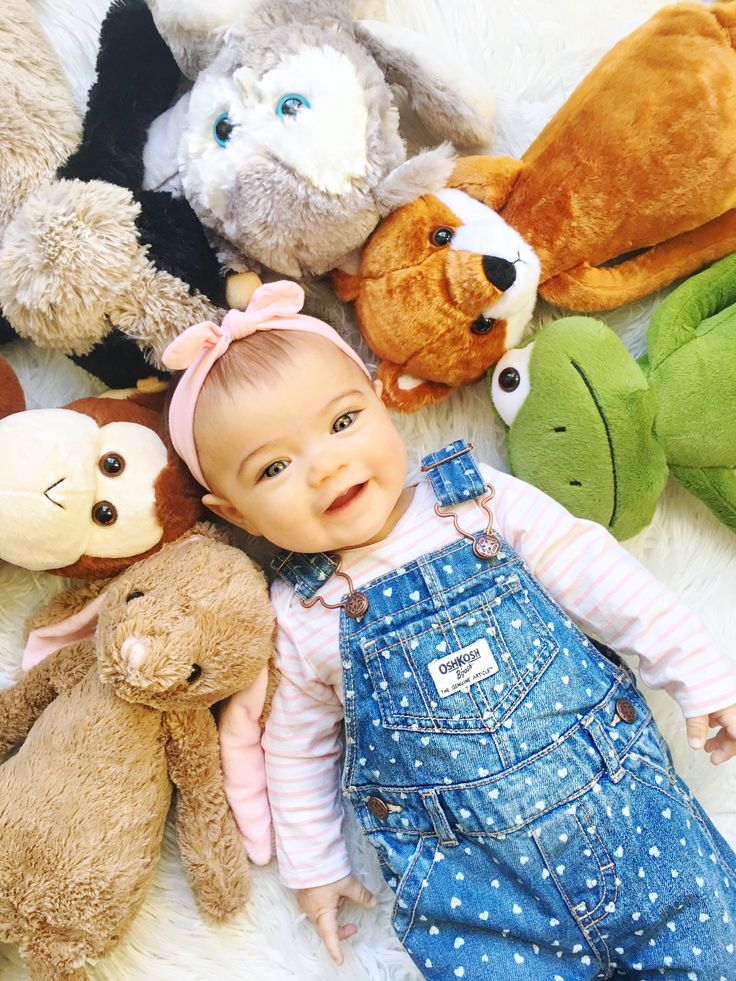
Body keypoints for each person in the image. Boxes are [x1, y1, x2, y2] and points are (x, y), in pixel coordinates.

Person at [163, 281, 736, 980]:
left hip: (629, 819)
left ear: (382, 399)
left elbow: (601, 576)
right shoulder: (300, 611)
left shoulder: (477, 501)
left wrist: (698, 671)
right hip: (478, 896)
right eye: (275, 467)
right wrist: (313, 868)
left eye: (343, 422)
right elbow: (294, 748)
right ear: (239, 516)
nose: (327, 465)